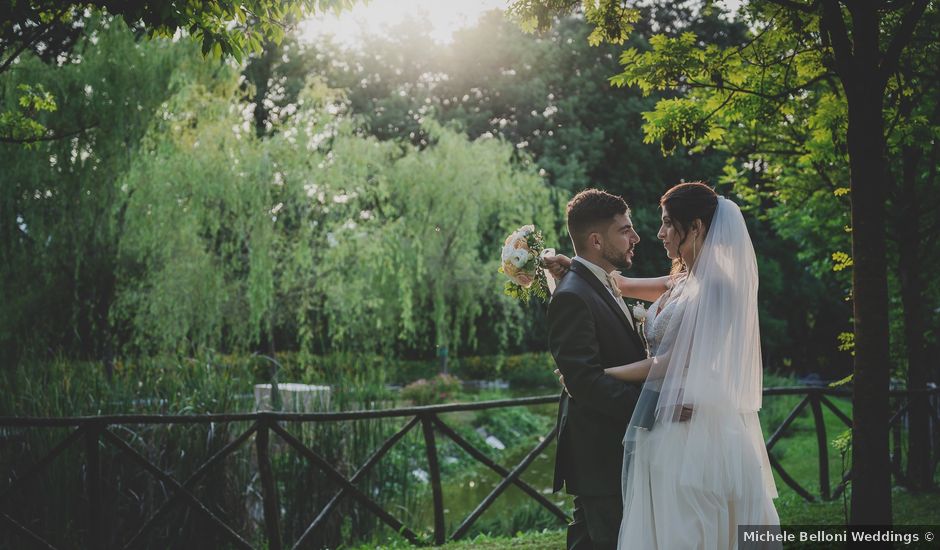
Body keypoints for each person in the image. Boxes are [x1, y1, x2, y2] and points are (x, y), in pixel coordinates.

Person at [546, 182, 780, 549]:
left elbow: (671, 362)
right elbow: (616, 283)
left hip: (689, 419)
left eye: (669, 223)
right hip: (662, 422)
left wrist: (598, 376)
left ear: (697, 228)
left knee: (690, 524)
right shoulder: (681, 281)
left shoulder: (718, 287)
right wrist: (570, 266)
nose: (657, 233)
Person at [546, 189, 647, 550]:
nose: (635, 238)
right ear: (596, 240)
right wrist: (652, 412)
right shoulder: (573, 295)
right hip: (601, 455)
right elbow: (585, 382)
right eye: (625, 230)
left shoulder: (599, 283)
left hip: (612, 450)